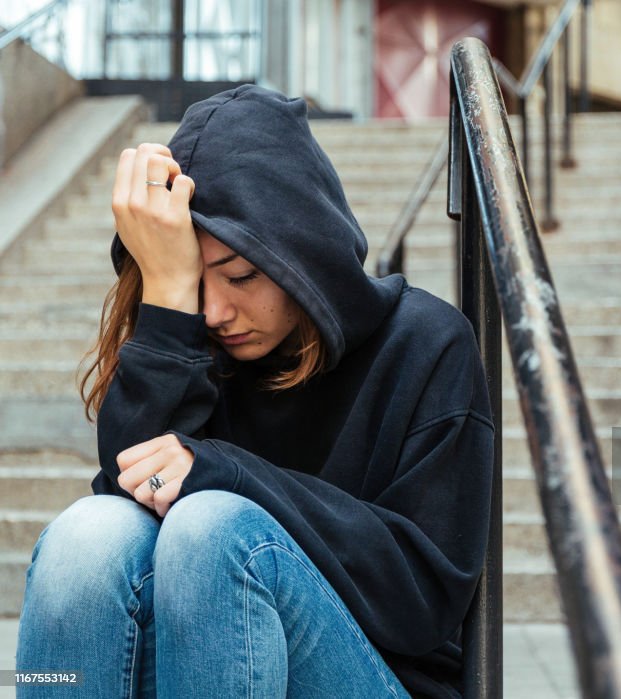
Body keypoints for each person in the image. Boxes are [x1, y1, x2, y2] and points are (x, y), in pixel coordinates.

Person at [15, 85, 495, 698]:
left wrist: (231, 476)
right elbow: (129, 489)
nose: (215, 311)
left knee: (212, 527)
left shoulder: (426, 343)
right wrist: (166, 295)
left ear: (303, 254)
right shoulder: (194, 336)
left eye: (241, 275)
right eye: (194, 280)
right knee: (87, 534)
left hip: (380, 676)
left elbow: (423, 603)